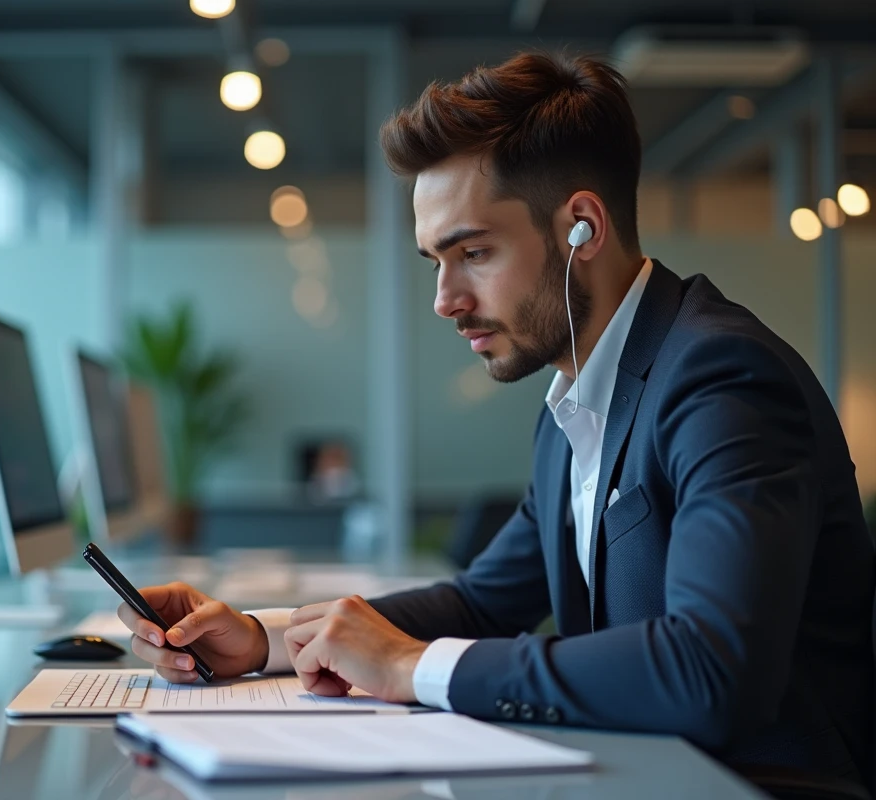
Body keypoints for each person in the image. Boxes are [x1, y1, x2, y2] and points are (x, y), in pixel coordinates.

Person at [119, 52, 875, 786]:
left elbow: (711, 673)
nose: (445, 299)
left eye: (473, 252)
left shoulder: (719, 380)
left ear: (582, 225)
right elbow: (483, 602)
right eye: (434, 262)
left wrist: (412, 667)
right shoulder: (575, 407)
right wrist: (263, 640)